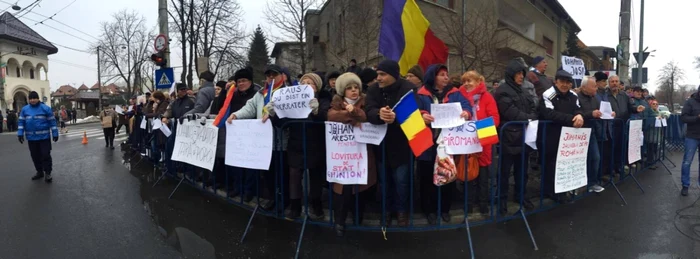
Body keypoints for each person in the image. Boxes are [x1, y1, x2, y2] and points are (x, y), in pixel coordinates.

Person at [227, 64, 291, 212]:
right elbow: (249, 108)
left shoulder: (287, 92)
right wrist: (236, 114)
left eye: (274, 75)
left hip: (282, 141)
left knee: (282, 173)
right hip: (264, 142)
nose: (271, 78)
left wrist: (274, 113)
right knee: (268, 174)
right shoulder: (262, 93)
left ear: (282, 76)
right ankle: (273, 198)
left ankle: (284, 199)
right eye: (268, 75)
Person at [267, 72, 330, 219]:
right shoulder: (293, 100)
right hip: (296, 143)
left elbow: (326, 117)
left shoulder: (324, 99)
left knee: (315, 177)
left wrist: (316, 111)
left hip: (316, 144)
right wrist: (273, 114)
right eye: (304, 82)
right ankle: (295, 207)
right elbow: (283, 123)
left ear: (317, 87)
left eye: (311, 82)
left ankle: (316, 205)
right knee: (294, 176)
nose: (306, 84)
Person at [416, 64, 471, 224]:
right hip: (427, 144)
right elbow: (416, 111)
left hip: (447, 145)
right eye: (442, 74)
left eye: (447, 74)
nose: (446, 77)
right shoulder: (421, 94)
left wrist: (466, 113)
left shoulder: (455, 93)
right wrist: (422, 115)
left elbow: (467, 106)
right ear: (433, 77)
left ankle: (445, 209)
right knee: (426, 179)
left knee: (447, 176)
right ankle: (429, 210)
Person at [364, 59, 416, 227]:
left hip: (402, 146)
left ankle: (402, 211)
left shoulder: (408, 89)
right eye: (377, 74)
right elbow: (368, 110)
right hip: (381, 146)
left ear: (393, 75)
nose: (378, 78)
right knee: (384, 182)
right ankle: (386, 211)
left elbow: (413, 114)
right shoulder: (372, 90)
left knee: (402, 182)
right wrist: (379, 114)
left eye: (382, 74)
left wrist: (395, 118)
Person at [327, 72, 377, 236]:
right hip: (343, 154)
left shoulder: (366, 101)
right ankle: (339, 221)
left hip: (362, 151)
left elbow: (366, 116)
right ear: (343, 91)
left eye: (356, 87)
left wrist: (355, 112)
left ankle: (358, 216)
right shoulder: (336, 102)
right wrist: (353, 116)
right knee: (343, 188)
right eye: (349, 88)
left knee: (361, 184)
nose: (354, 91)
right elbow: (331, 116)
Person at [495, 59, 538, 214]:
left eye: (523, 74)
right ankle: (502, 200)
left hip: (524, 138)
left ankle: (521, 196)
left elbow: (534, 107)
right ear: (511, 74)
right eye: (519, 73)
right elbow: (510, 112)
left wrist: (530, 116)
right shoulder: (502, 90)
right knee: (505, 172)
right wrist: (529, 118)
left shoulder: (523, 91)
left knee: (522, 172)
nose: (521, 77)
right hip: (509, 139)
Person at [539, 70, 584, 203]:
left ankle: (562, 190)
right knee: (551, 164)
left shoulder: (573, 95)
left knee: (564, 164)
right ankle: (550, 191)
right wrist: (572, 119)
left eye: (568, 82)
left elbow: (578, 108)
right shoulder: (548, 94)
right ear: (556, 82)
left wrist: (580, 115)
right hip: (551, 135)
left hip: (568, 137)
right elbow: (549, 114)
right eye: (562, 82)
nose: (565, 85)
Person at [460, 70, 499, 214]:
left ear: (478, 82)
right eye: (464, 81)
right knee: (468, 174)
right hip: (466, 142)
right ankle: (468, 204)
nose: (466, 84)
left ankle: (483, 204)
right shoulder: (460, 96)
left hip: (484, 142)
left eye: (469, 81)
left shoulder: (487, 97)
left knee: (483, 175)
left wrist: (478, 128)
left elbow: (495, 118)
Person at [225, 68, 262, 201]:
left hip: (252, 134)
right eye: (239, 81)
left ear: (250, 81)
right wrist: (226, 92)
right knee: (236, 163)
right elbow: (222, 108)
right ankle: (237, 188)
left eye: (244, 81)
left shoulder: (257, 94)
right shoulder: (233, 94)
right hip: (236, 134)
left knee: (250, 165)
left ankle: (248, 191)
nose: (241, 84)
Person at [603, 75, 644, 177]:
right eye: (612, 81)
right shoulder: (605, 95)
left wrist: (636, 109)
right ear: (609, 83)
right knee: (610, 148)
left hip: (623, 125)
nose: (615, 83)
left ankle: (618, 167)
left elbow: (631, 107)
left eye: (616, 81)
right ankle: (609, 169)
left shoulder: (624, 95)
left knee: (620, 147)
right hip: (610, 126)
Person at [578, 76, 610, 193]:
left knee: (595, 157)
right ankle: (580, 183)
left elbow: (601, 112)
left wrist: (610, 114)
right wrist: (591, 114)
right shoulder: (576, 97)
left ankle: (592, 183)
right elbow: (577, 112)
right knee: (581, 160)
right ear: (585, 87)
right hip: (578, 134)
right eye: (594, 86)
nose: (596, 88)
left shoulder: (595, 98)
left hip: (591, 132)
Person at [18, 91, 58, 182]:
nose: (32, 100)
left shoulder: (46, 109)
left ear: (38, 98)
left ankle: (47, 173)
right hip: (31, 139)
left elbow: (52, 122)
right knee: (35, 156)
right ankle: (39, 172)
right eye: (30, 98)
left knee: (45, 155)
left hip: (44, 138)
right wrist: (20, 133)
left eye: (34, 98)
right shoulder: (25, 110)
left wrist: (55, 133)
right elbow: (21, 122)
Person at [680, 86, 700, 196]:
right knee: (687, 162)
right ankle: (685, 185)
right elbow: (683, 118)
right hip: (692, 136)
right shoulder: (690, 102)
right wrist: (697, 117)